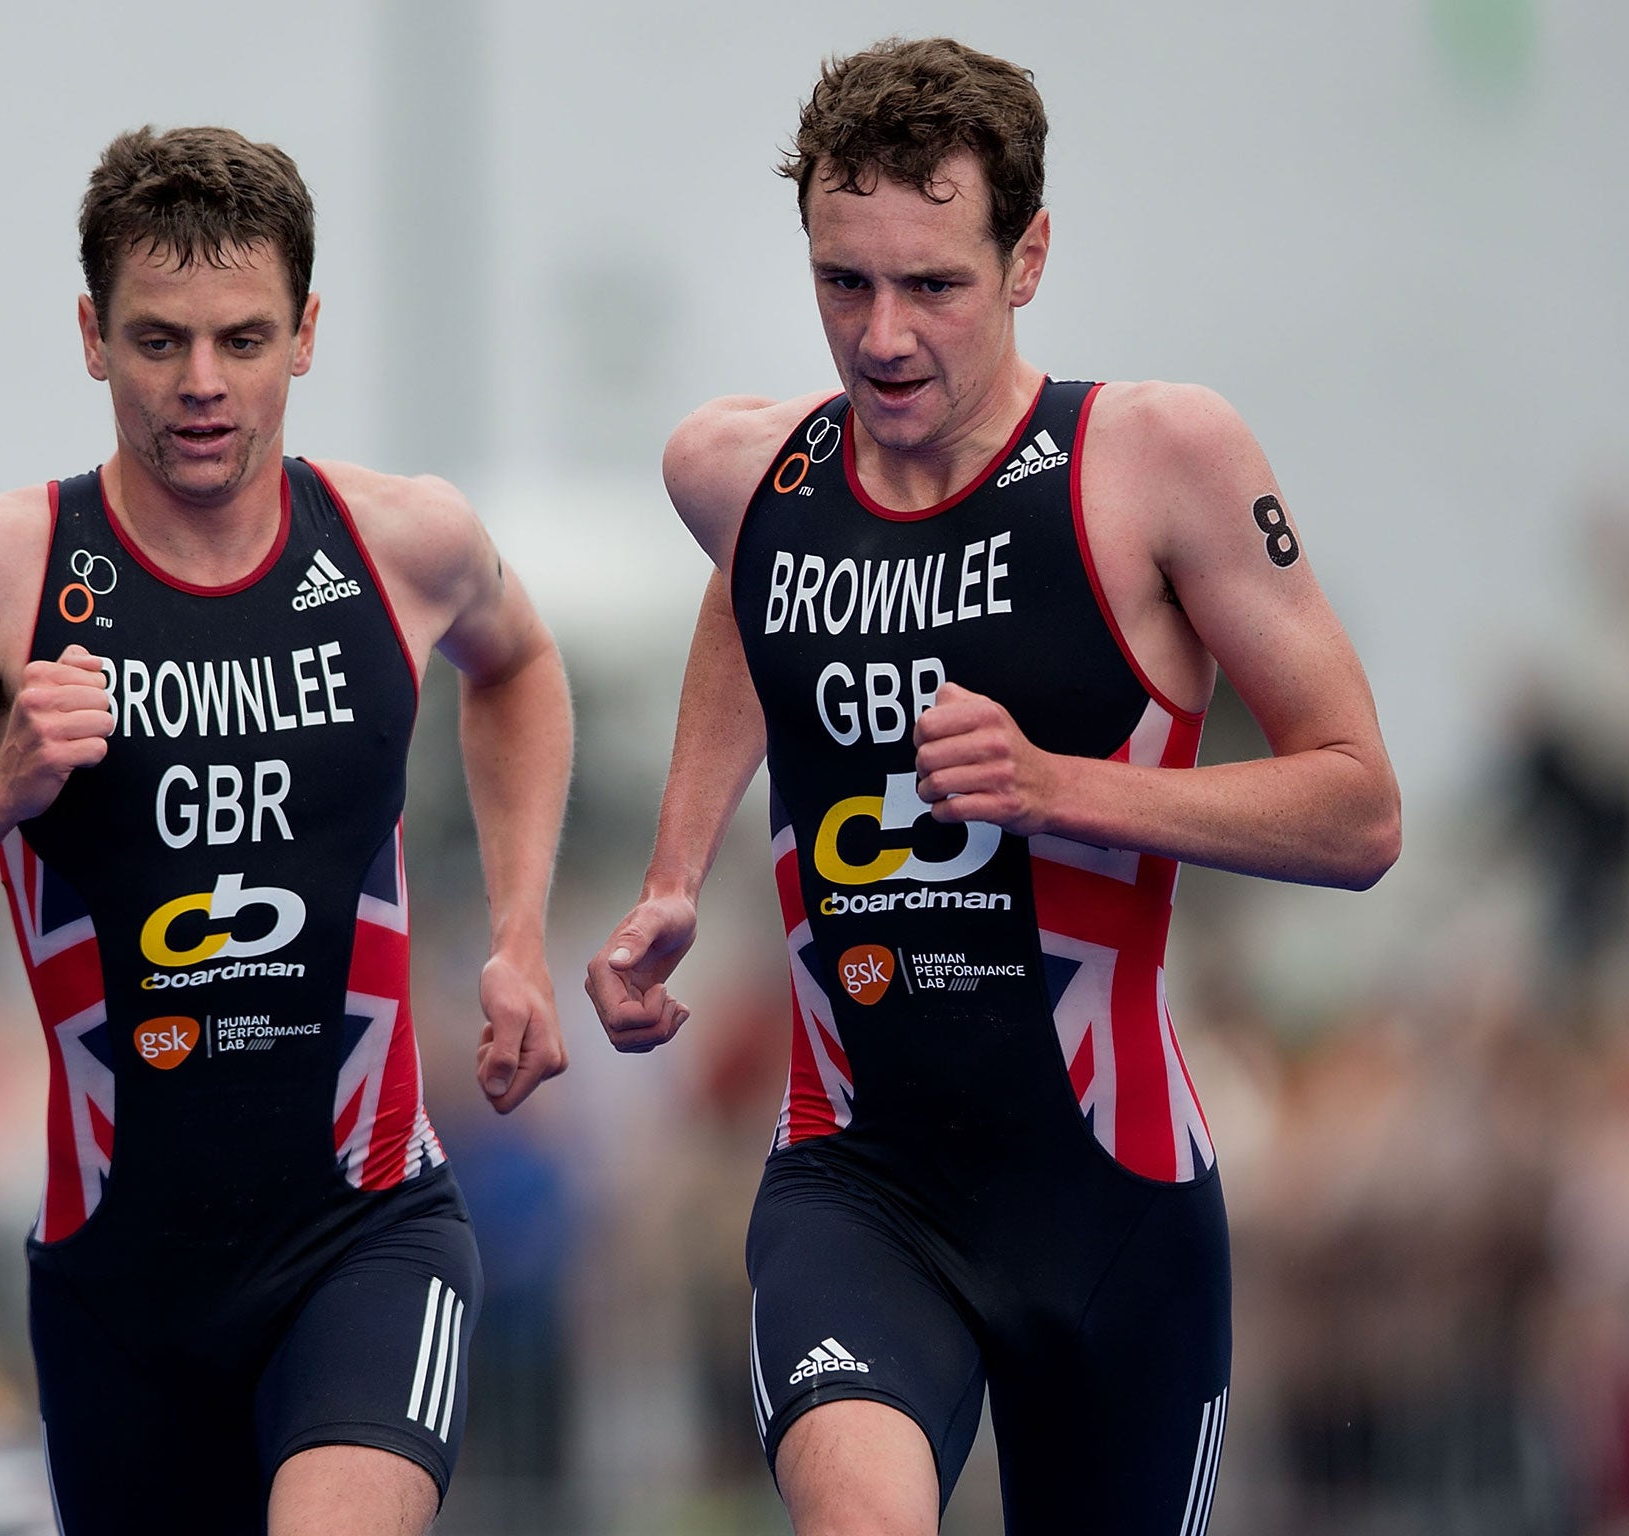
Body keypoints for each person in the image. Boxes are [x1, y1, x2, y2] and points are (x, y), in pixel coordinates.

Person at [586, 36, 1400, 1536]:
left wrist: (1056, 788)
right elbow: (746, 587)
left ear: (1027, 257)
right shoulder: (740, 472)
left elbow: (1360, 812)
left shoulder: (1158, 462)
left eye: (934, 286)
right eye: (845, 283)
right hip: (857, 1183)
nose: (884, 337)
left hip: (1111, 1204)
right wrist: (671, 873)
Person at [0, 126, 572, 1536]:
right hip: (121, 1280)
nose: (202, 387)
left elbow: (517, 667)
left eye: (242, 339)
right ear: (91, 336)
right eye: (158, 341)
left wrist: (517, 938)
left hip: (368, 1232)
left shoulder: (406, 542)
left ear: (307, 335)